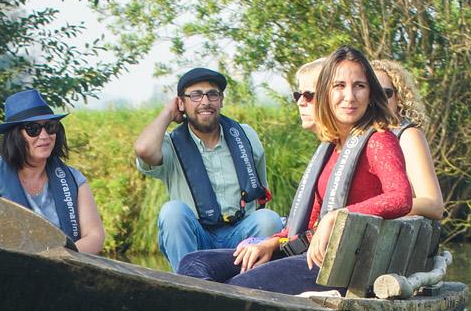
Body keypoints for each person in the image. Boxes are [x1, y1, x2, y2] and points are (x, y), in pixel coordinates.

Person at [177, 47, 413, 294]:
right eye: (339, 86)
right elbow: (308, 223)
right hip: (309, 252)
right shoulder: (332, 146)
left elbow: (401, 197)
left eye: (359, 86)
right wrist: (272, 244)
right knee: (194, 263)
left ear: (370, 93)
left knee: (236, 288)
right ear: (326, 93)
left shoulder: (378, 139)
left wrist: (337, 217)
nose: (349, 96)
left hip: (340, 263)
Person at [132, 67, 283, 270]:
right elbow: (143, 149)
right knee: (172, 212)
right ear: (181, 103)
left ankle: (253, 285)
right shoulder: (170, 144)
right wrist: (168, 113)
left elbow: (260, 191)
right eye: (195, 95)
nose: (205, 102)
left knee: (268, 219)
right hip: (198, 236)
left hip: (241, 234)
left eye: (212, 94)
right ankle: (188, 284)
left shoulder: (245, 136)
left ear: (221, 100)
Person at [0, 89, 106, 254]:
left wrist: (57, 258)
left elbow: (95, 236)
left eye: (50, 127)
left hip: (67, 268)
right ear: (15, 136)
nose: (45, 136)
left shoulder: (74, 180)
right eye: (33, 129)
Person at [369, 59, 446, 221]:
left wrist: (368, 209)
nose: (377, 101)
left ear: (399, 98)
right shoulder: (356, 139)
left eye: (385, 94)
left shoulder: (408, 136)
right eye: (371, 93)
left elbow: (434, 204)